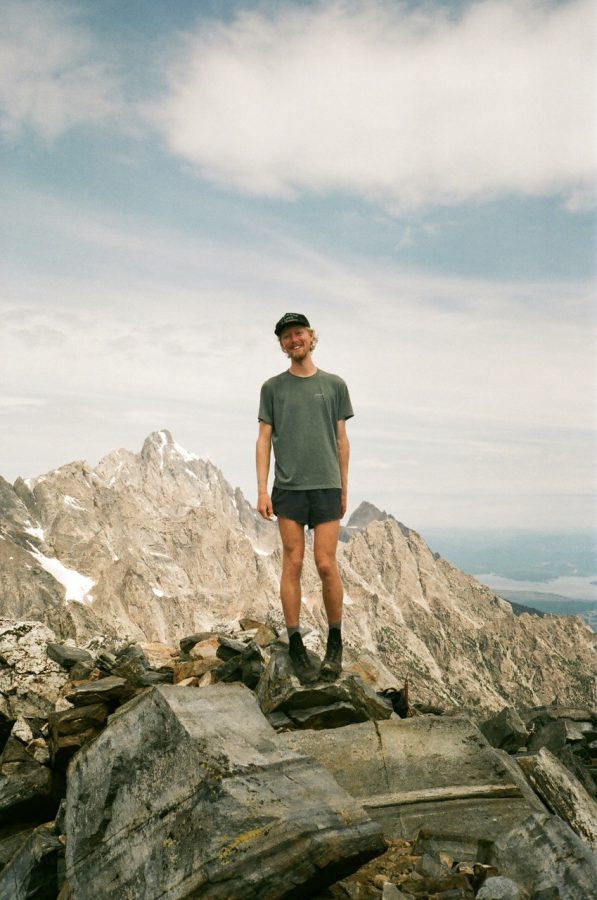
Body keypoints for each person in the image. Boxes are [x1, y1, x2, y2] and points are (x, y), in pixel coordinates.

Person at [256, 313, 354, 683]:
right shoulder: (272, 388)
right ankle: (296, 644)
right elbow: (264, 439)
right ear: (282, 345)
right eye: (285, 336)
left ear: (312, 337)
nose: (293, 340)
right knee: (293, 563)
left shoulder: (334, 385)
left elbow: (341, 440)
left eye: (298, 333)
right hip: (288, 489)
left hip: (326, 486)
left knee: (326, 564)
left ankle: (335, 643)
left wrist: (344, 487)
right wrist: (263, 489)